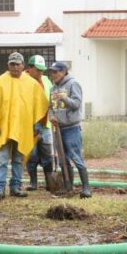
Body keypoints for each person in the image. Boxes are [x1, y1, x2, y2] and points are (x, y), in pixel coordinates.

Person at [0, 52, 49, 201]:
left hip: (23, 129)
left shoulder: (31, 83)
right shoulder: (0, 81)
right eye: (12, 64)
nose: (15, 67)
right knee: (2, 159)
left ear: (23, 66)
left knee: (18, 159)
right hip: (3, 128)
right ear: (8, 65)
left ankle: (16, 187)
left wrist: (37, 125)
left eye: (18, 64)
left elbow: (40, 105)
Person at [48, 61, 91, 198]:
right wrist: (52, 117)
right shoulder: (53, 88)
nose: (53, 74)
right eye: (52, 72)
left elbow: (76, 104)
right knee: (62, 160)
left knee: (76, 157)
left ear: (63, 71)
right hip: (58, 129)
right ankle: (68, 187)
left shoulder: (73, 84)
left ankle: (86, 188)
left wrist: (64, 98)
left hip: (72, 128)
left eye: (56, 72)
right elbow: (50, 107)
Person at [24, 55, 54, 191]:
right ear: (29, 68)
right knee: (32, 155)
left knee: (47, 153)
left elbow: (51, 98)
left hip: (45, 123)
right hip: (29, 124)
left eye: (42, 70)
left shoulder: (46, 81)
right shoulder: (22, 81)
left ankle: (50, 182)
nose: (40, 73)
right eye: (38, 70)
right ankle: (33, 183)